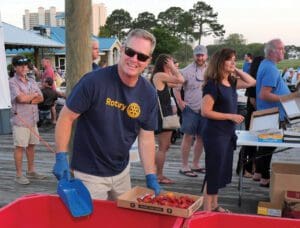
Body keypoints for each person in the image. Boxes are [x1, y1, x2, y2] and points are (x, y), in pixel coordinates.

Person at [53, 29, 161, 200]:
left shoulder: (148, 93)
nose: (134, 59)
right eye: (130, 52)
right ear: (123, 49)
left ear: (148, 61)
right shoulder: (93, 82)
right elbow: (66, 117)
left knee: (121, 220)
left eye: (141, 56)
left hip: (122, 171)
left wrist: (150, 175)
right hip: (89, 173)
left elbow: (146, 136)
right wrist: (60, 155)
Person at [201, 48, 256, 212]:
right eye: (229, 59)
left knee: (220, 170)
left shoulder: (231, 82)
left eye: (234, 59)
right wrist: (230, 116)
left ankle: (215, 205)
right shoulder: (212, 85)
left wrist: (236, 69)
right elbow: (205, 111)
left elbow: (251, 82)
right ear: (220, 62)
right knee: (213, 172)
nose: (233, 62)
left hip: (227, 134)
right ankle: (206, 211)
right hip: (214, 134)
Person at [254, 38, 290, 187]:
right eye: (281, 48)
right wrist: (288, 98)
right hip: (272, 114)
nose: (284, 51)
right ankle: (264, 177)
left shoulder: (266, 65)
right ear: (271, 52)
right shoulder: (270, 68)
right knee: (268, 146)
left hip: (268, 113)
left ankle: (258, 173)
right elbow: (264, 94)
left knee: (266, 145)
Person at [9, 55, 46, 185]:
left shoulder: (31, 80)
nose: (25, 67)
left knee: (31, 146)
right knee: (19, 147)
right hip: (20, 120)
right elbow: (20, 99)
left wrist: (29, 98)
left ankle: (31, 171)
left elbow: (41, 98)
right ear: (15, 67)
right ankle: (18, 175)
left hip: (32, 119)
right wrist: (32, 97)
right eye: (21, 65)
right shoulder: (12, 82)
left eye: (26, 65)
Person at [173, 45, 208, 177]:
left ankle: (196, 164)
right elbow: (176, 88)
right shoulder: (185, 71)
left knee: (201, 138)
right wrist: (180, 103)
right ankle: (184, 166)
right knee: (188, 137)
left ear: (206, 56)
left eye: (202, 55)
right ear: (194, 56)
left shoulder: (211, 70)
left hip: (205, 110)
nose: (200, 57)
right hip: (191, 109)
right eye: (198, 55)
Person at [150, 54, 184, 184]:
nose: (174, 64)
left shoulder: (161, 77)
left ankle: (155, 172)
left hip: (166, 113)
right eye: (171, 62)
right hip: (163, 115)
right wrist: (172, 68)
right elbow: (181, 79)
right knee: (163, 147)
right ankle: (158, 175)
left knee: (166, 146)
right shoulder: (160, 75)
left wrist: (171, 69)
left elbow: (176, 84)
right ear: (165, 63)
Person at [236, 56, 265, 178]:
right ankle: (243, 168)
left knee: (253, 144)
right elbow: (253, 101)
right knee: (249, 143)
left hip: (255, 115)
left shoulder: (258, 78)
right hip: (254, 115)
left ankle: (251, 167)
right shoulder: (254, 80)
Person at [41, 57, 57, 124]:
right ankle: (53, 120)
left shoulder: (49, 70)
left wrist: (42, 87)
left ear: (47, 62)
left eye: (43, 62)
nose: (41, 63)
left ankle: (54, 120)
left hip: (50, 90)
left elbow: (49, 82)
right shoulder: (46, 70)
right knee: (52, 106)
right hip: (49, 90)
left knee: (52, 106)